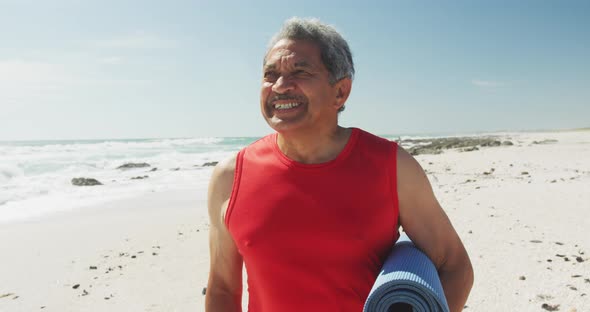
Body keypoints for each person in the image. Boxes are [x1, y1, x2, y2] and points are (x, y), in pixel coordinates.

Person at [206, 17, 473, 312]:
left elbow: (454, 266)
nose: (280, 86)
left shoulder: (392, 167)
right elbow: (222, 288)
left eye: (300, 71)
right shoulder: (230, 177)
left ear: (340, 92)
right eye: (270, 74)